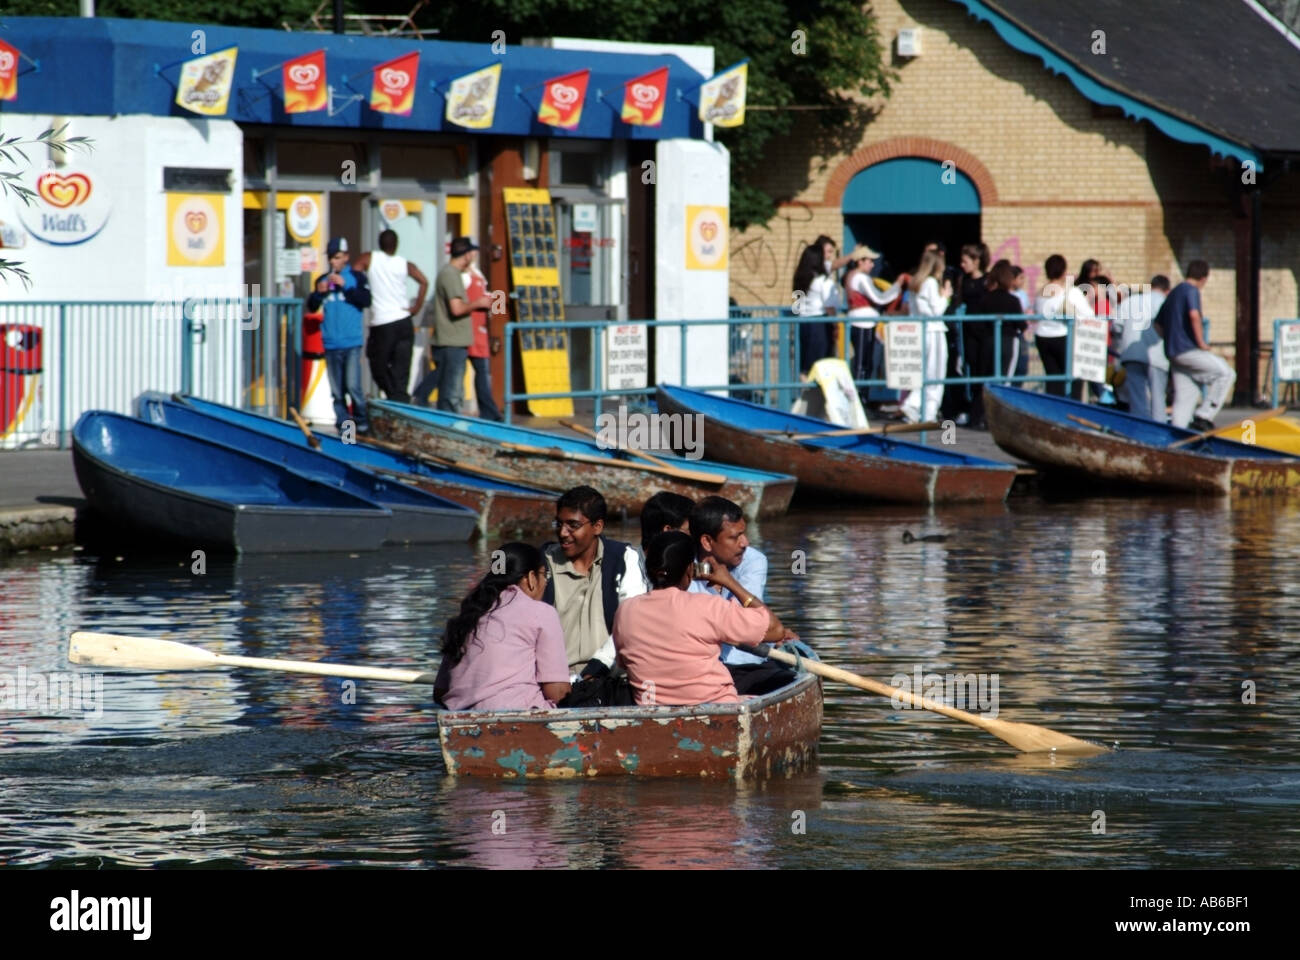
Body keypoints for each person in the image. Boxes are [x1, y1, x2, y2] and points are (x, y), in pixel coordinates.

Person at [614, 531, 795, 706]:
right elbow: (775, 630)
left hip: (652, 710)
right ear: (690, 570)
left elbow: (624, 663)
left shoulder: (625, 611)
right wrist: (730, 582)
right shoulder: (706, 606)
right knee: (785, 679)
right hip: (716, 707)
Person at [540, 485, 649, 702]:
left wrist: (595, 669)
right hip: (552, 684)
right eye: (559, 524)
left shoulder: (624, 559)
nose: (563, 533)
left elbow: (630, 625)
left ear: (597, 526)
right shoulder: (542, 563)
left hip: (608, 681)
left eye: (573, 525)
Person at [433, 542, 570, 711]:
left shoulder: (467, 614)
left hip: (459, 719)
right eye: (544, 575)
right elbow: (558, 692)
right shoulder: (541, 612)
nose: (545, 583)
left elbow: (440, 692)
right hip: (521, 720)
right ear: (531, 578)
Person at [686, 496, 795, 695]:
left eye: (743, 534)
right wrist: (769, 633)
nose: (745, 543)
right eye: (735, 537)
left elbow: (744, 621)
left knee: (791, 680)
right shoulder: (682, 566)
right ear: (707, 542)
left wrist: (728, 581)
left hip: (747, 664)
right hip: (702, 670)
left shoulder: (753, 560)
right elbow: (742, 627)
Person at [414, 237, 493, 411]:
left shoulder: (456, 274)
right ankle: (448, 426)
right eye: (471, 253)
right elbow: (456, 309)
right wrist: (478, 303)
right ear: (465, 255)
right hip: (451, 343)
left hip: (456, 341)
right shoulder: (450, 275)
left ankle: (430, 404)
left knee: (453, 391)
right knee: (451, 394)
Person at [1154, 260, 1235, 430]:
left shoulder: (1173, 292)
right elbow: (1194, 315)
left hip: (1173, 353)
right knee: (1226, 373)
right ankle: (1203, 416)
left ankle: (1177, 434)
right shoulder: (1191, 290)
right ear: (1204, 278)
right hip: (1188, 350)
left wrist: (1170, 339)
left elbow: (1157, 325)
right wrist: (1201, 343)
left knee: (1185, 399)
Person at [306, 237, 372, 433]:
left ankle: (361, 424)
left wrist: (346, 286)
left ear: (346, 257)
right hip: (331, 342)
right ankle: (346, 430)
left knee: (353, 387)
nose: (334, 262)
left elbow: (366, 300)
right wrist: (318, 293)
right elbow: (312, 305)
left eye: (337, 258)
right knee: (337, 391)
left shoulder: (357, 277)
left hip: (351, 341)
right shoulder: (322, 280)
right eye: (331, 258)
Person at [354, 230, 427, 405]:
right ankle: (400, 402)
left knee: (377, 364)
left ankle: (393, 398)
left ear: (379, 243)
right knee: (401, 371)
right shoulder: (404, 263)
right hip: (404, 321)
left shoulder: (369, 258)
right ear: (396, 245)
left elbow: (355, 270)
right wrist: (416, 307)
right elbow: (424, 281)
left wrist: (360, 290)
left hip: (383, 323)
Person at [843, 245, 904, 407]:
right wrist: (897, 285)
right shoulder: (860, 278)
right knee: (863, 363)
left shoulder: (851, 276)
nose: (872, 265)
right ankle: (859, 400)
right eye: (869, 261)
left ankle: (860, 398)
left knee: (862, 361)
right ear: (860, 262)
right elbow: (879, 298)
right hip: (863, 323)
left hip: (860, 322)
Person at [970, 260, 1028, 426]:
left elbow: (977, 324)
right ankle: (997, 420)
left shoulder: (985, 299)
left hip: (988, 343)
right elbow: (1021, 325)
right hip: (1008, 343)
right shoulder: (1013, 300)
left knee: (987, 381)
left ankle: (978, 417)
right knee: (1005, 381)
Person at [901, 246, 952, 424]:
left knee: (922, 373)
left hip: (919, 332)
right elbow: (936, 311)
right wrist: (945, 296)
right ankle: (925, 411)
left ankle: (914, 406)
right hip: (933, 331)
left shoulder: (916, 282)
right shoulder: (930, 283)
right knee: (935, 374)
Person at [1034, 254, 1093, 399]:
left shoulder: (1040, 292)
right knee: (1074, 379)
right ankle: (1073, 411)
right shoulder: (1070, 292)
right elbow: (1089, 314)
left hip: (1042, 337)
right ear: (1064, 271)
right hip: (1063, 337)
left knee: (1053, 379)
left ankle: (1052, 412)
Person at [1115, 275, 1171, 421]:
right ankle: (1160, 434)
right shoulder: (1164, 302)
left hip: (1131, 354)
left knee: (1137, 399)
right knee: (1158, 399)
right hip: (1157, 356)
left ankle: (1140, 433)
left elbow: (1116, 326)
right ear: (1167, 290)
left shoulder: (1130, 301)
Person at [943, 242, 988, 423]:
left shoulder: (986, 280)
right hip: (968, 332)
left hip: (984, 332)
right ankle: (970, 410)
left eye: (965, 261)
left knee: (984, 371)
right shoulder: (963, 280)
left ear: (976, 260)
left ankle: (981, 411)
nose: (962, 265)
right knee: (969, 370)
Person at [462, 250, 504, 421]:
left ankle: (490, 411)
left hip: (479, 329)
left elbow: (493, 299)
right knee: (452, 367)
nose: (474, 255)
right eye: (471, 252)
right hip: (468, 329)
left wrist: (496, 306)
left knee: (480, 370)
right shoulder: (462, 276)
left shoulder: (477, 273)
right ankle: (491, 412)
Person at [793, 243, 840, 373]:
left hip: (802, 322)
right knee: (821, 363)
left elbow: (797, 305)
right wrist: (835, 325)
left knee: (805, 365)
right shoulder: (822, 280)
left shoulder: (800, 278)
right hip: (820, 324)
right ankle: (817, 393)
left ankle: (802, 391)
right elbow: (829, 306)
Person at [1010, 265, 1032, 382]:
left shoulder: (1022, 294)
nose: (1023, 281)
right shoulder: (1009, 295)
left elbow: (1027, 310)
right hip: (1013, 334)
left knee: (1022, 367)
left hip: (1022, 334)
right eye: (1020, 278)